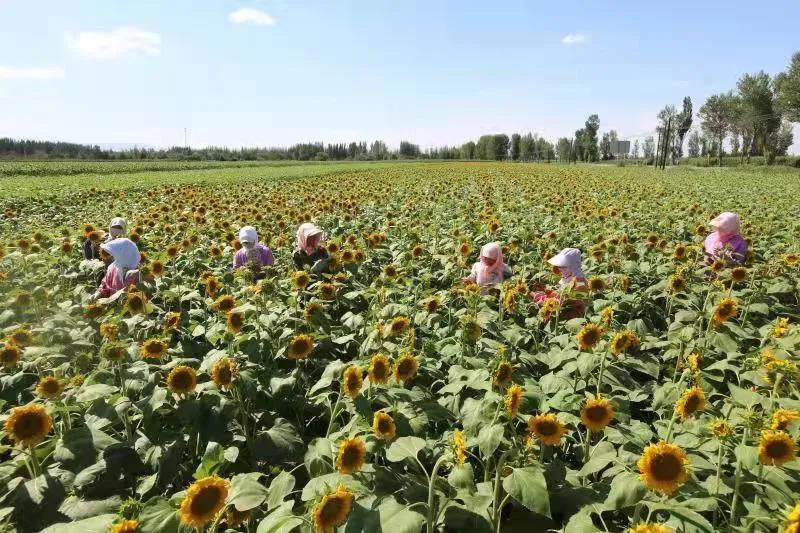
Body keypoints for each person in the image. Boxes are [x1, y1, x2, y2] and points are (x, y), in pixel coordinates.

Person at [530, 248, 588, 319]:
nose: (560, 269)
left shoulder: (580, 283)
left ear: (573, 266)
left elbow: (567, 303)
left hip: (569, 317)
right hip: (561, 312)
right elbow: (562, 295)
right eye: (560, 266)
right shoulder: (569, 277)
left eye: (564, 266)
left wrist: (540, 298)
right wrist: (549, 291)